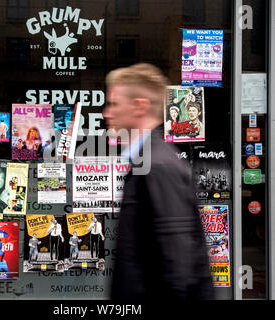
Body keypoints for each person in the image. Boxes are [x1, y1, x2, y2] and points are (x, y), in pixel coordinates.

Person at [103, 63, 213, 301]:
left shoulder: (159, 166)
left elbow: (178, 268)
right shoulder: (146, 161)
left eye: (113, 104)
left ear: (139, 107)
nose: (106, 113)